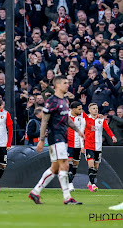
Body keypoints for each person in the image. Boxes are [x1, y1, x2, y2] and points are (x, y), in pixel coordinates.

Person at [29, 75, 84, 205]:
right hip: (55, 137)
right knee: (64, 165)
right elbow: (44, 121)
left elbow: (68, 119)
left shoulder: (64, 100)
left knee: (54, 168)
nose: (68, 84)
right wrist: (42, 140)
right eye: (65, 83)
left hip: (62, 137)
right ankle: (67, 197)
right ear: (57, 85)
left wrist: (78, 131)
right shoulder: (51, 101)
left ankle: (35, 192)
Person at [79, 103, 117, 192]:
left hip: (98, 146)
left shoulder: (101, 119)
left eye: (96, 108)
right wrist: (82, 146)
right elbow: (81, 133)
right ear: (89, 110)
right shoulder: (85, 120)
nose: (95, 110)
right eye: (93, 108)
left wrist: (112, 136)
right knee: (91, 165)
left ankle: (90, 182)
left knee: (96, 167)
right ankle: (93, 184)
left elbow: (107, 129)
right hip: (88, 146)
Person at [67, 101, 87, 192]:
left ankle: (70, 181)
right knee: (69, 162)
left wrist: (82, 146)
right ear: (73, 109)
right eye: (79, 109)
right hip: (68, 143)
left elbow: (90, 120)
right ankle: (70, 184)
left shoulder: (82, 116)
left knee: (75, 164)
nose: (81, 110)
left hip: (78, 144)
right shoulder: (66, 116)